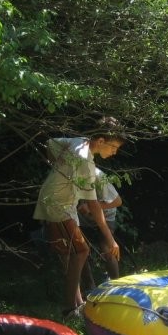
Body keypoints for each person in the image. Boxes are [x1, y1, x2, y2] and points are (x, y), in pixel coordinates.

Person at [33, 117, 125, 317]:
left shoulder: (80, 141)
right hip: (58, 204)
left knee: (73, 254)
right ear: (100, 141)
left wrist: (57, 167)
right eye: (113, 147)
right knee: (81, 252)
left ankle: (78, 303)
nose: (114, 151)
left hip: (65, 201)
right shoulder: (84, 160)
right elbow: (93, 205)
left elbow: (50, 144)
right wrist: (111, 239)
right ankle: (69, 309)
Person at [78, 169, 123, 290]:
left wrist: (91, 207)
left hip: (106, 215)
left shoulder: (97, 176)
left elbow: (117, 201)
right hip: (83, 218)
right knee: (80, 249)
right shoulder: (67, 174)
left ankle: (116, 285)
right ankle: (89, 286)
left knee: (107, 247)